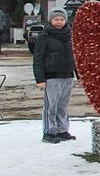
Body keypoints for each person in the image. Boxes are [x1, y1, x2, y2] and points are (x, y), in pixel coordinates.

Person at [33, 8, 76, 143]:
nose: (59, 22)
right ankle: (49, 132)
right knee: (51, 105)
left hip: (67, 75)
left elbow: (76, 56)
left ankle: (62, 130)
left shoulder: (70, 35)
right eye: (56, 19)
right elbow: (38, 58)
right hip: (52, 76)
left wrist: (79, 74)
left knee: (63, 105)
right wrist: (40, 78)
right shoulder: (44, 36)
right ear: (51, 20)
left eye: (61, 19)